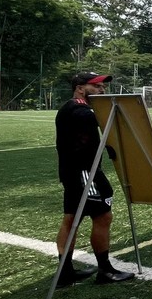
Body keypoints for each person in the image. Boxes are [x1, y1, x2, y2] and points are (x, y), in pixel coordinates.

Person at [54, 71, 134, 287]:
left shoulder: (73, 108)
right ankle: (105, 271)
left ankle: (65, 273)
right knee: (103, 217)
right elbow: (99, 119)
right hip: (84, 173)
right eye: (96, 86)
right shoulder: (78, 109)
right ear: (80, 87)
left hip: (76, 172)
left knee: (71, 219)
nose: (102, 90)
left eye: (102, 86)